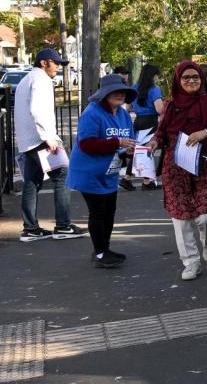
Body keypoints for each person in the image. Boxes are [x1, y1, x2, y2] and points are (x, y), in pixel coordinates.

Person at [153, 61, 207, 281]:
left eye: (195, 77)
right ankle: (191, 261)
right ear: (178, 80)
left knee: (206, 215)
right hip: (175, 165)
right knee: (181, 217)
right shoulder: (171, 104)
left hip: (205, 162)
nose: (191, 81)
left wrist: (205, 132)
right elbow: (161, 132)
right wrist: (155, 143)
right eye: (186, 78)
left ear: (202, 79)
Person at [16, 48, 86, 242]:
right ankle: (63, 226)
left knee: (32, 182)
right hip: (41, 139)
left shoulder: (26, 80)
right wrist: (49, 137)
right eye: (56, 63)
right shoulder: (42, 80)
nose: (58, 67)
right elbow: (38, 110)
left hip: (27, 140)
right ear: (44, 62)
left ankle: (30, 229)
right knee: (63, 175)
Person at [67, 74, 137, 268]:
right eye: (115, 91)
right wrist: (117, 143)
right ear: (104, 94)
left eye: (123, 91)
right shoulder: (92, 112)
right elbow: (87, 144)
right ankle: (100, 253)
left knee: (109, 211)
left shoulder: (123, 115)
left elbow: (126, 142)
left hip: (109, 172)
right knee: (98, 212)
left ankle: (103, 249)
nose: (120, 94)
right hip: (88, 171)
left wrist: (128, 151)